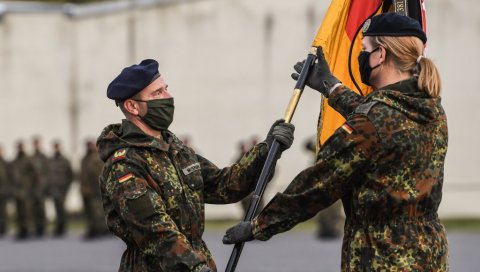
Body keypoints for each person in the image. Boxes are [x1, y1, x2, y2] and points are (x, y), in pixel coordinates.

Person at [223, 13, 448, 271]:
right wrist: (333, 88)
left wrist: (258, 225)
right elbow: (383, 119)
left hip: (383, 257)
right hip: (430, 254)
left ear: (381, 55)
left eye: (364, 49)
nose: (360, 56)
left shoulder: (371, 124)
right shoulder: (431, 109)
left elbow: (317, 184)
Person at [97, 59, 294, 272]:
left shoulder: (174, 149)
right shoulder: (125, 165)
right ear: (132, 106)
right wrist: (196, 268)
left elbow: (224, 186)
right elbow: (156, 232)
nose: (168, 97)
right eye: (157, 93)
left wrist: (267, 152)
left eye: (166, 89)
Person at [304, 137, 343, 239]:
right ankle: (324, 229)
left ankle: (333, 228)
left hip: (333, 181)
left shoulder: (336, 145)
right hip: (321, 182)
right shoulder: (322, 145)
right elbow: (307, 145)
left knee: (334, 208)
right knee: (322, 208)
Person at [80, 140, 109, 239]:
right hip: (86, 189)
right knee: (89, 211)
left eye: (91, 145)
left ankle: (101, 229)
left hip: (95, 189)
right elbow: (83, 175)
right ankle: (92, 229)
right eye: (88, 145)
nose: (89, 147)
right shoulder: (84, 159)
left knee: (97, 210)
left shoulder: (98, 158)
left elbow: (100, 174)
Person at [47, 140, 74, 236]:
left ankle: (63, 227)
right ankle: (58, 227)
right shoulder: (50, 161)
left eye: (57, 146)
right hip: (54, 189)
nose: (56, 148)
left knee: (62, 208)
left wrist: (66, 187)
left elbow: (71, 175)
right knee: (56, 208)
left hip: (62, 189)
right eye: (55, 146)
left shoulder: (65, 160)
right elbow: (47, 175)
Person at [11, 140, 36, 240]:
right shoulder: (15, 161)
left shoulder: (29, 160)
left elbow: (35, 174)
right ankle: (21, 230)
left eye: (21, 146)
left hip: (26, 190)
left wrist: (30, 185)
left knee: (27, 211)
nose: (20, 148)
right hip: (17, 191)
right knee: (19, 211)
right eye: (18, 146)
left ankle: (27, 230)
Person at [30, 136, 49, 237]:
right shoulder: (31, 158)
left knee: (41, 209)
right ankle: (36, 228)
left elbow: (48, 172)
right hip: (33, 188)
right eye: (34, 143)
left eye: (37, 143)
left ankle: (43, 229)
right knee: (34, 209)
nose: (36, 145)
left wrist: (46, 185)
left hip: (42, 188)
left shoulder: (44, 157)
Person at [0, 145, 11, 237]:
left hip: (4, 192)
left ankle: (3, 229)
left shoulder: (7, 164)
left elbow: (11, 178)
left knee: (3, 211)